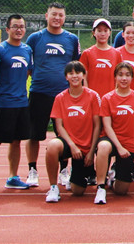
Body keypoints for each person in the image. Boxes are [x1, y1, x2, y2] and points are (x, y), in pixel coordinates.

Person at [25, 2, 81, 187]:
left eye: (60, 15)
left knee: (64, 134)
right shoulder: (35, 38)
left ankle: (64, 170)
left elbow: (75, 66)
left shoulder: (72, 39)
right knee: (34, 134)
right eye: (54, 14)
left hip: (64, 96)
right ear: (46, 16)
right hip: (39, 92)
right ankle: (32, 170)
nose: (57, 18)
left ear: (65, 18)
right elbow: (28, 66)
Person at [0, 14, 32, 193]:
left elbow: (28, 72)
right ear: (7, 29)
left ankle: (13, 177)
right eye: (15, 27)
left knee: (16, 142)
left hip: (21, 103)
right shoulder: (0, 49)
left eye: (22, 27)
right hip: (3, 103)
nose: (19, 30)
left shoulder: (27, 50)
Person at [44, 61, 102, 203]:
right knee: (52, 146)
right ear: (66, 77)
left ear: (83, 75)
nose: (74, 76)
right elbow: (59, 126)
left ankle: (76, 176)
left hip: (86, 147)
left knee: (78, 191)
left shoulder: (93, 96)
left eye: (78, 73)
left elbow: (97, 125)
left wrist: (91, 152)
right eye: (71, 73)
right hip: (69, 143)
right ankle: (53, 187)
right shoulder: (60, 98)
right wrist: (72, 145)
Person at [94, 62, 134, 204]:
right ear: (115, 77)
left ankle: (113, 178)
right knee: (103, 147)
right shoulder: (107, 98)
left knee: (121, 190)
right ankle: (101, 187)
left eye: (127, 75)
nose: (124, 78)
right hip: (111, 140)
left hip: (129, 143)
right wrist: (119, 147)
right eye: (120, 75)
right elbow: (107, 126)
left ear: (132, 78)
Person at [80, 18, 121, 97]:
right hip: (93, 98)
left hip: (110, 98)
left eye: (105, 31)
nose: (102, 34)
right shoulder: (87, 53)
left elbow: (119, 77)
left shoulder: (116, 53)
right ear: (93, 33)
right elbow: (83, 77)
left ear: (110, 33)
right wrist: (88, 95)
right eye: (99, 31)